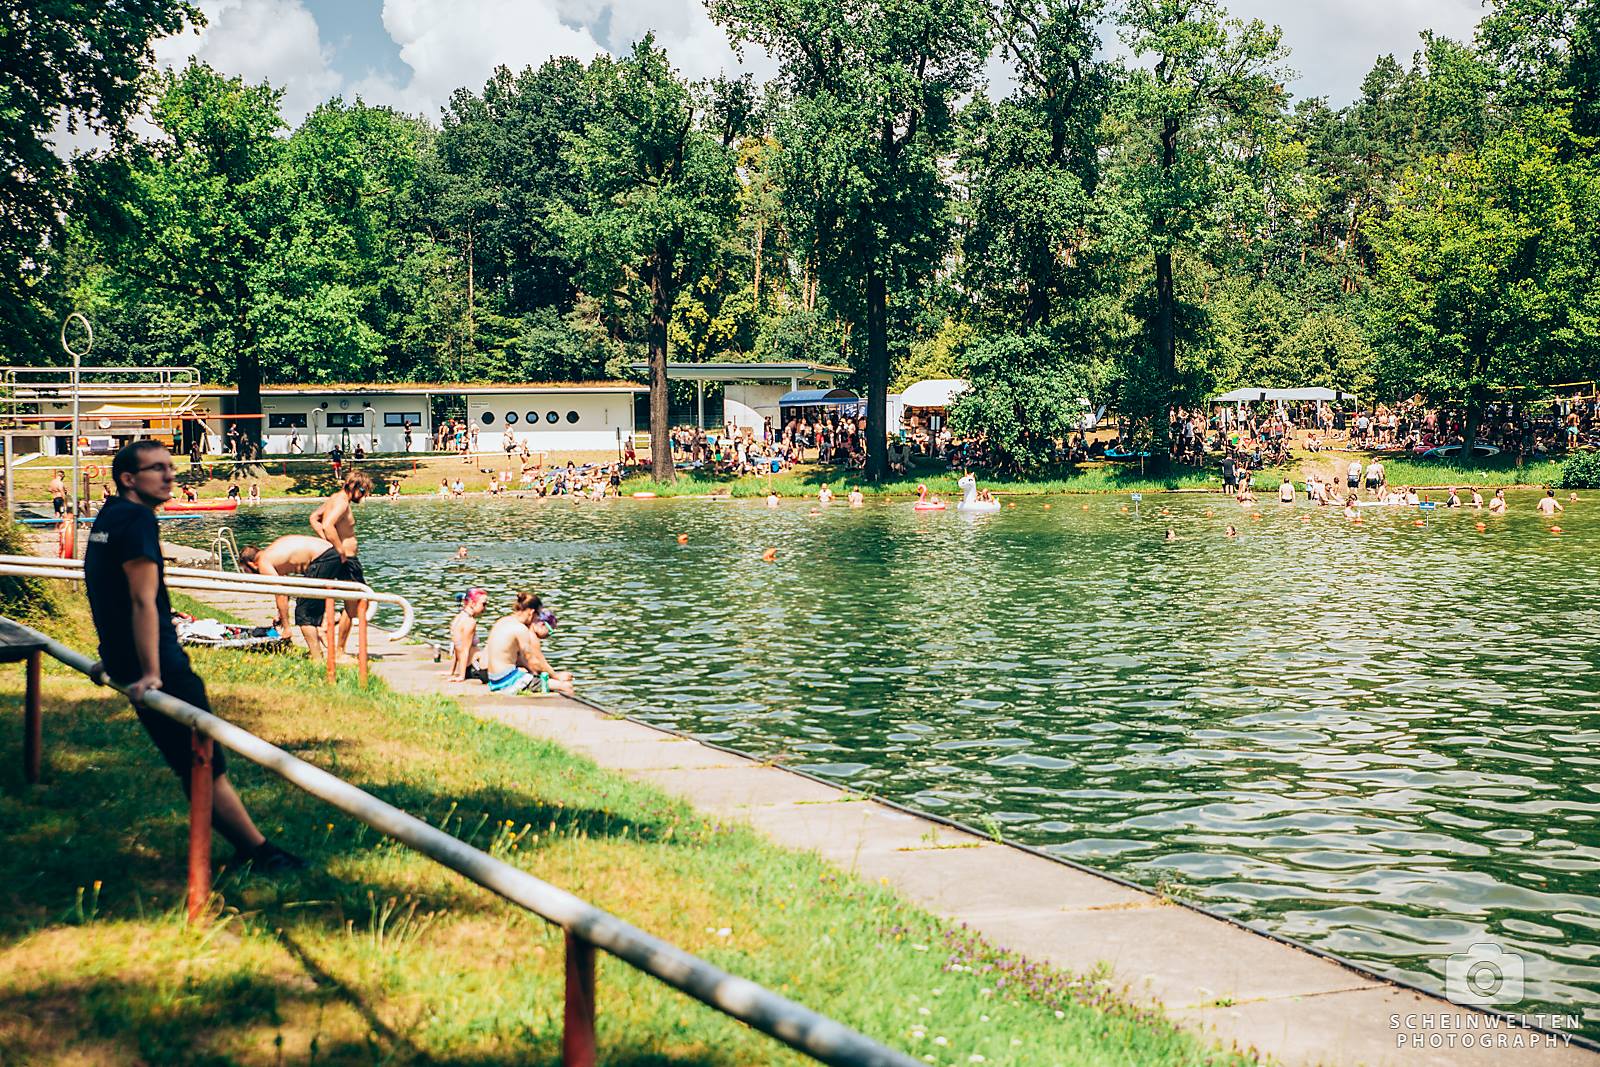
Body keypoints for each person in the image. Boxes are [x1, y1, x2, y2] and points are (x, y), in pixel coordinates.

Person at [86, 442, 304, 872]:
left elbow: (103, 589)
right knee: (204, 763)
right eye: (157, 469)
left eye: (170, 466)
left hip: (125, 659)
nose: (170, 475)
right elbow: (142, 601)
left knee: (193, 762)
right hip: (161, 666)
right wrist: (151, 672)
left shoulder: (109, 516)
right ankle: (261, 853)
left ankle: (254, 849)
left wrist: (111, 657)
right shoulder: (137, 520)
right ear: (129, 478)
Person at [238, 535, 342, 657]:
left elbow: (280, 593)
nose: (250, 575)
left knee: (304, 612)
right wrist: (280, 614)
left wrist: (287, 628)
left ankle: (317, 657)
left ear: (251, 564)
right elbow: (284, 587)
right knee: (310, 607)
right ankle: (322, 638)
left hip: (323, 557)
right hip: (331, 551)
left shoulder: (263, 563)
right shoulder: (272, 554)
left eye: (246, 570)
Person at [308, 470, 372, 655]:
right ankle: (339, 649)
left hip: (343, 558)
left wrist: (329, 544)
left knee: (358, 602)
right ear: (353, 486)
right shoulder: (342, 503)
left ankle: (329, 631)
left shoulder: (335, 498)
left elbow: (314, 518)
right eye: (363, 491)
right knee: (358, 603)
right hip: (347, 560)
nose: (364, 495)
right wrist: (339, 549)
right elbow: (327, 524)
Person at [482, 593, 574, 696]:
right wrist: (556, 677)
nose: (537, 618)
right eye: (538, 615)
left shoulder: (502, 621)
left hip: (494, 680)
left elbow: (521, 660)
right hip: (508, 681)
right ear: (532, 612)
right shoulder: (520, 629)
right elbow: (533, 662)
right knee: (566, 687)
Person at [449, 588, 488, 682]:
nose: (485, 608)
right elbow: (464, 649)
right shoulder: (470, 622)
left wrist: (452, 671)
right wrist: (461, 676)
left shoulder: (458, 617)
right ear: (472, 603)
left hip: (470, 666)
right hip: (476, 667)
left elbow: (456, 646)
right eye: (483, 604)